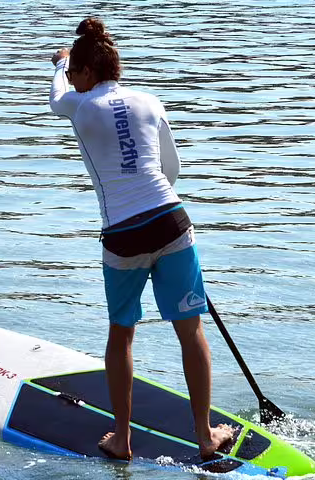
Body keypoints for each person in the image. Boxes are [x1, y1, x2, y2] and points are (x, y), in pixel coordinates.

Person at [49, 17, 234, 461]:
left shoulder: (80, 105)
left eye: (75, 72)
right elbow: (172, 170)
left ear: (87, 75)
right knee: (191, 333)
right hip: (172, 221)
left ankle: (122, 440)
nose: (71, 79)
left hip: (123, 236)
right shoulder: (150, 101)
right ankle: (205, 437)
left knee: (122, 333)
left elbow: (56, 100)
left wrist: (57, 64)